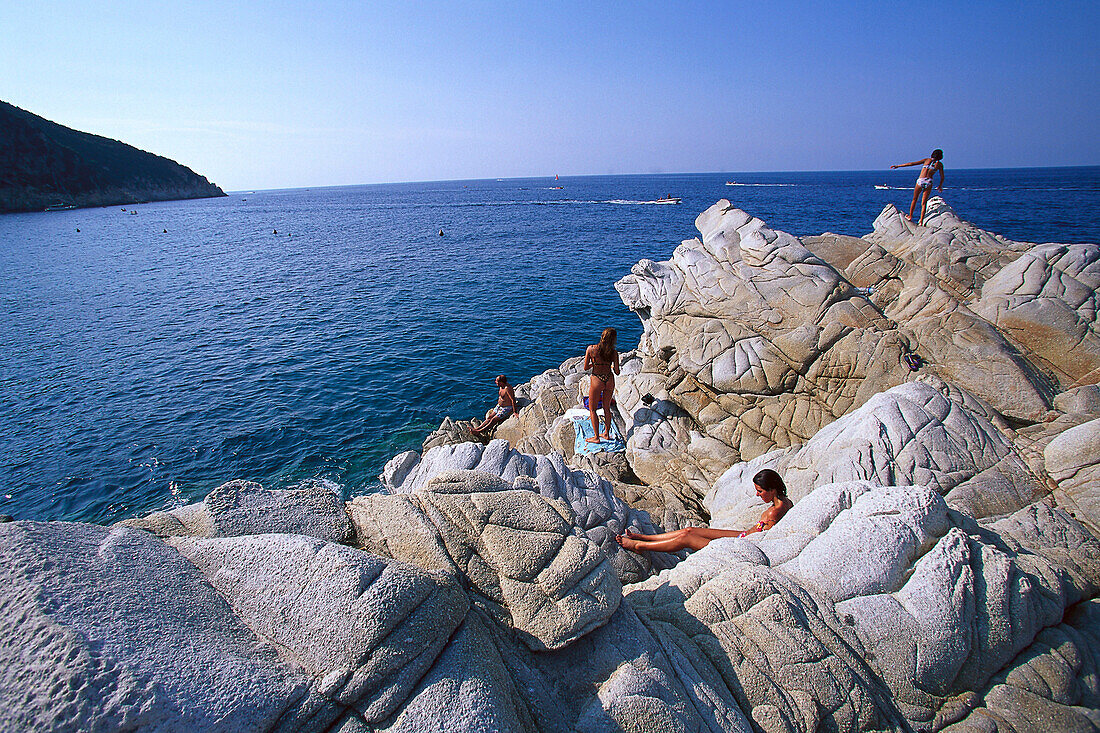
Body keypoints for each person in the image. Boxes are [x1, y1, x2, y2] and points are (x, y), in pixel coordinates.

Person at [615, 469, 792, 552]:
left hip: (743, 546)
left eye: (760, 491)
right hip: (742, 535)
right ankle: (644, 537)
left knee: (686, 538)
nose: (757, 494)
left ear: (772, 489)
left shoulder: (772, 513)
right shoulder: (786, 502)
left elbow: (763, 542)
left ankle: (640, 545)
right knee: (689, 530)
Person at [584, 328, 620, 443]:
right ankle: (606, 434)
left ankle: (596, 437)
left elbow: (585, 367)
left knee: (593, 409)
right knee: (606, 408)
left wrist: (594, 364)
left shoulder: (591, 349)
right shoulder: (613, 352)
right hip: (609, 379)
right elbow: (617, 372)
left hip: (597, 380)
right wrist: (611, 366)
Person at [891, 149, 945, 225]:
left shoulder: (927, 160)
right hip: (929, 181)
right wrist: (940, 186)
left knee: (914, 199)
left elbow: (911, 164)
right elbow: (942, 177)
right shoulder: (939, 164)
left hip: (921, 180)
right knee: (924, 203)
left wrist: (898, 166)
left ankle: (910, 216)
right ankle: (921, 221)